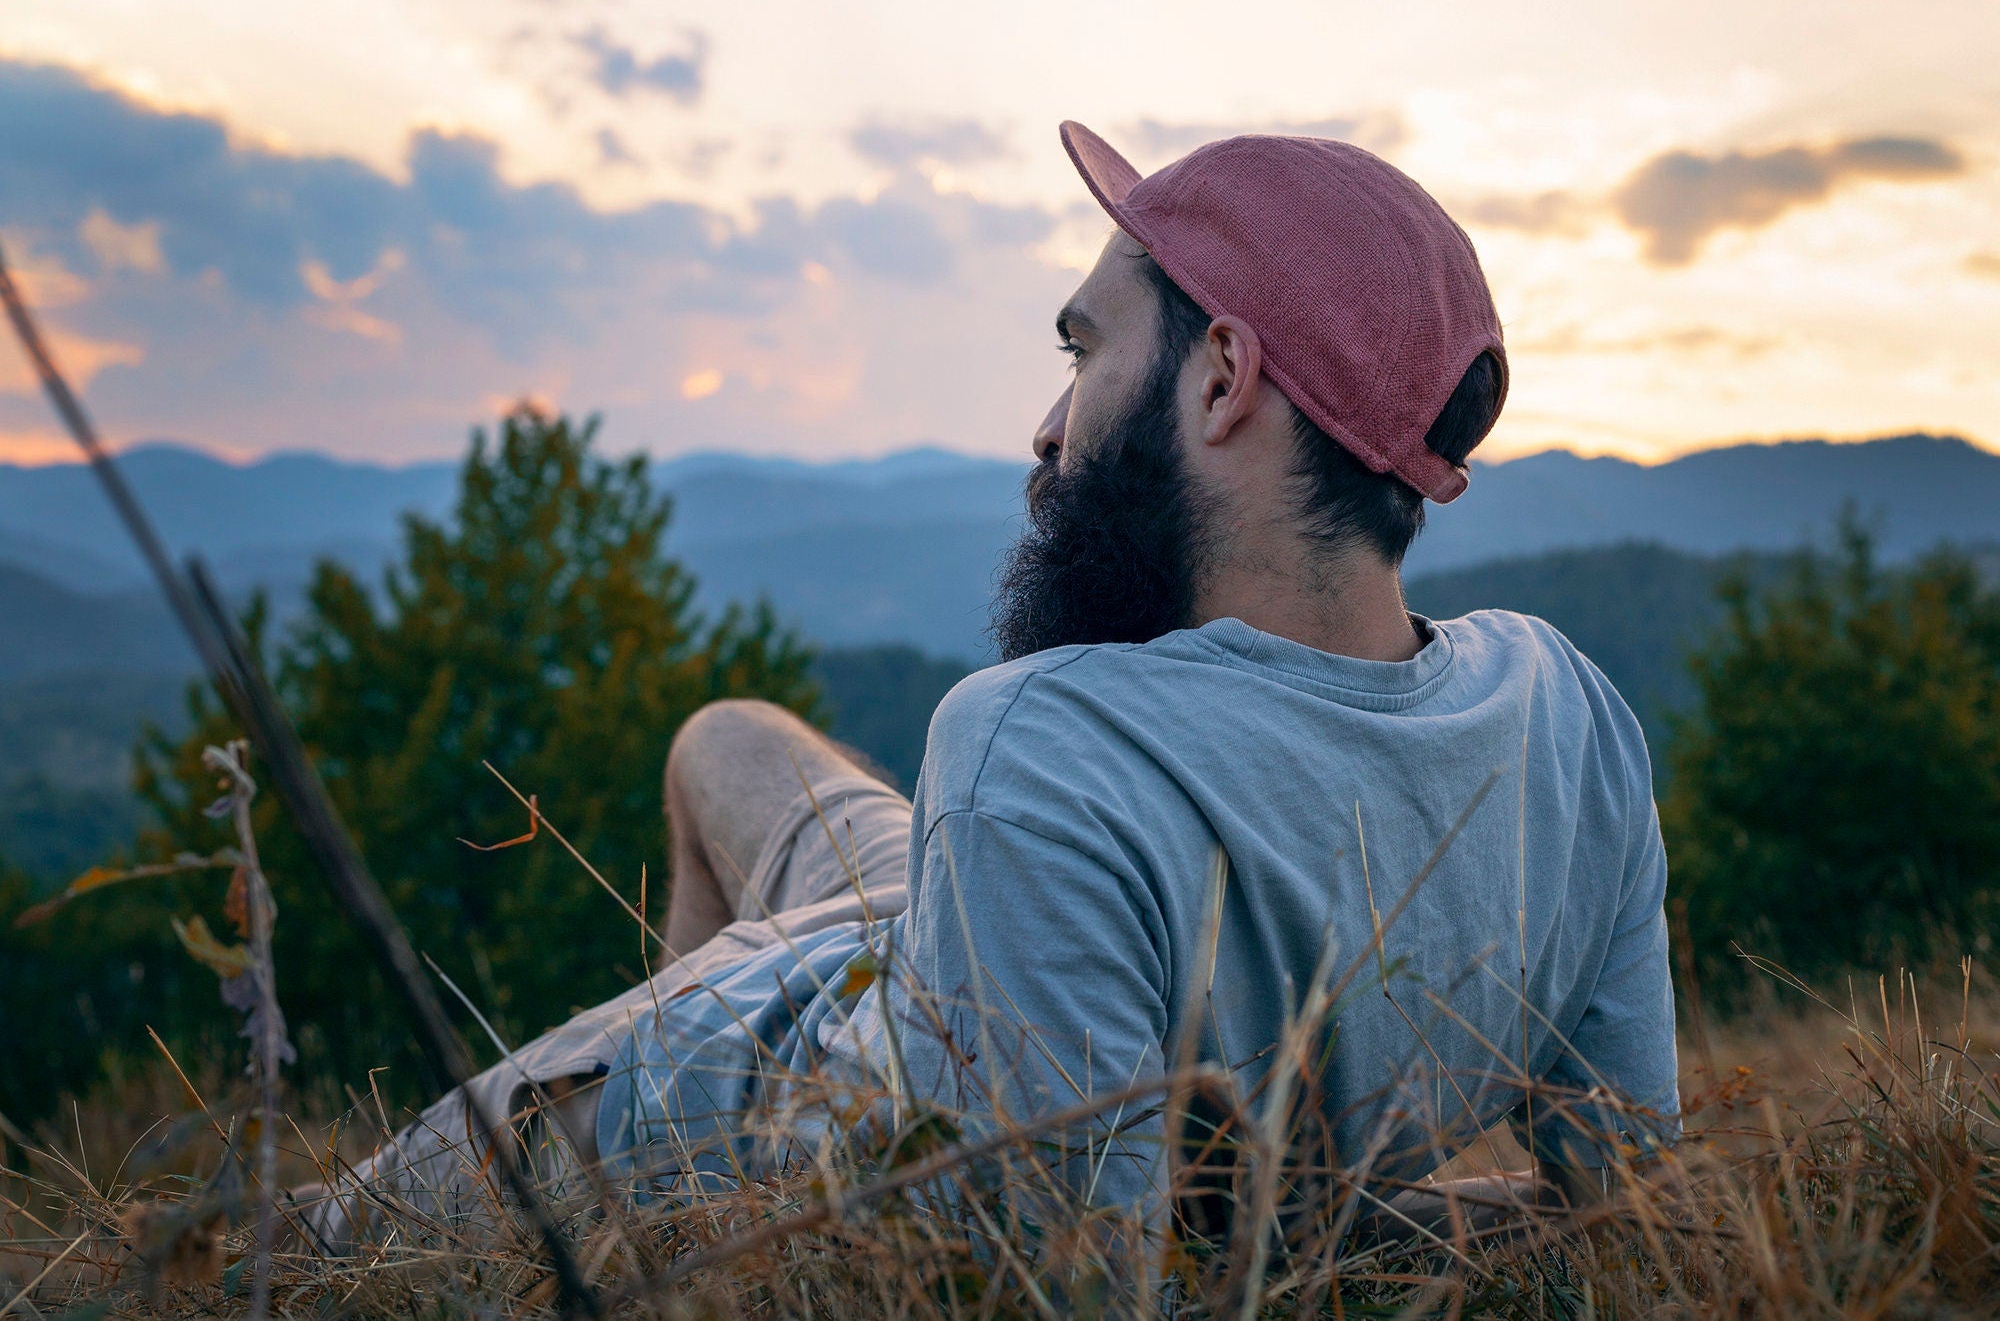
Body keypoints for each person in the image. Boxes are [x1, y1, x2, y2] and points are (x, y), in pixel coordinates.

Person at [296, 121, 1678, 1252]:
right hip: (942, 926)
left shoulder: (1037, 742)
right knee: (725, 740)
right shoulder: (1567, 715)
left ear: (1223, 377)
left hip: (723, 1087)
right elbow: (1618, 1210)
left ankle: (645, 1179)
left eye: (1084, 353)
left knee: (291, 1244)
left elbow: (1075, 1274)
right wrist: (1323, 1210)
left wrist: (1297, 1230)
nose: (1047, 422)